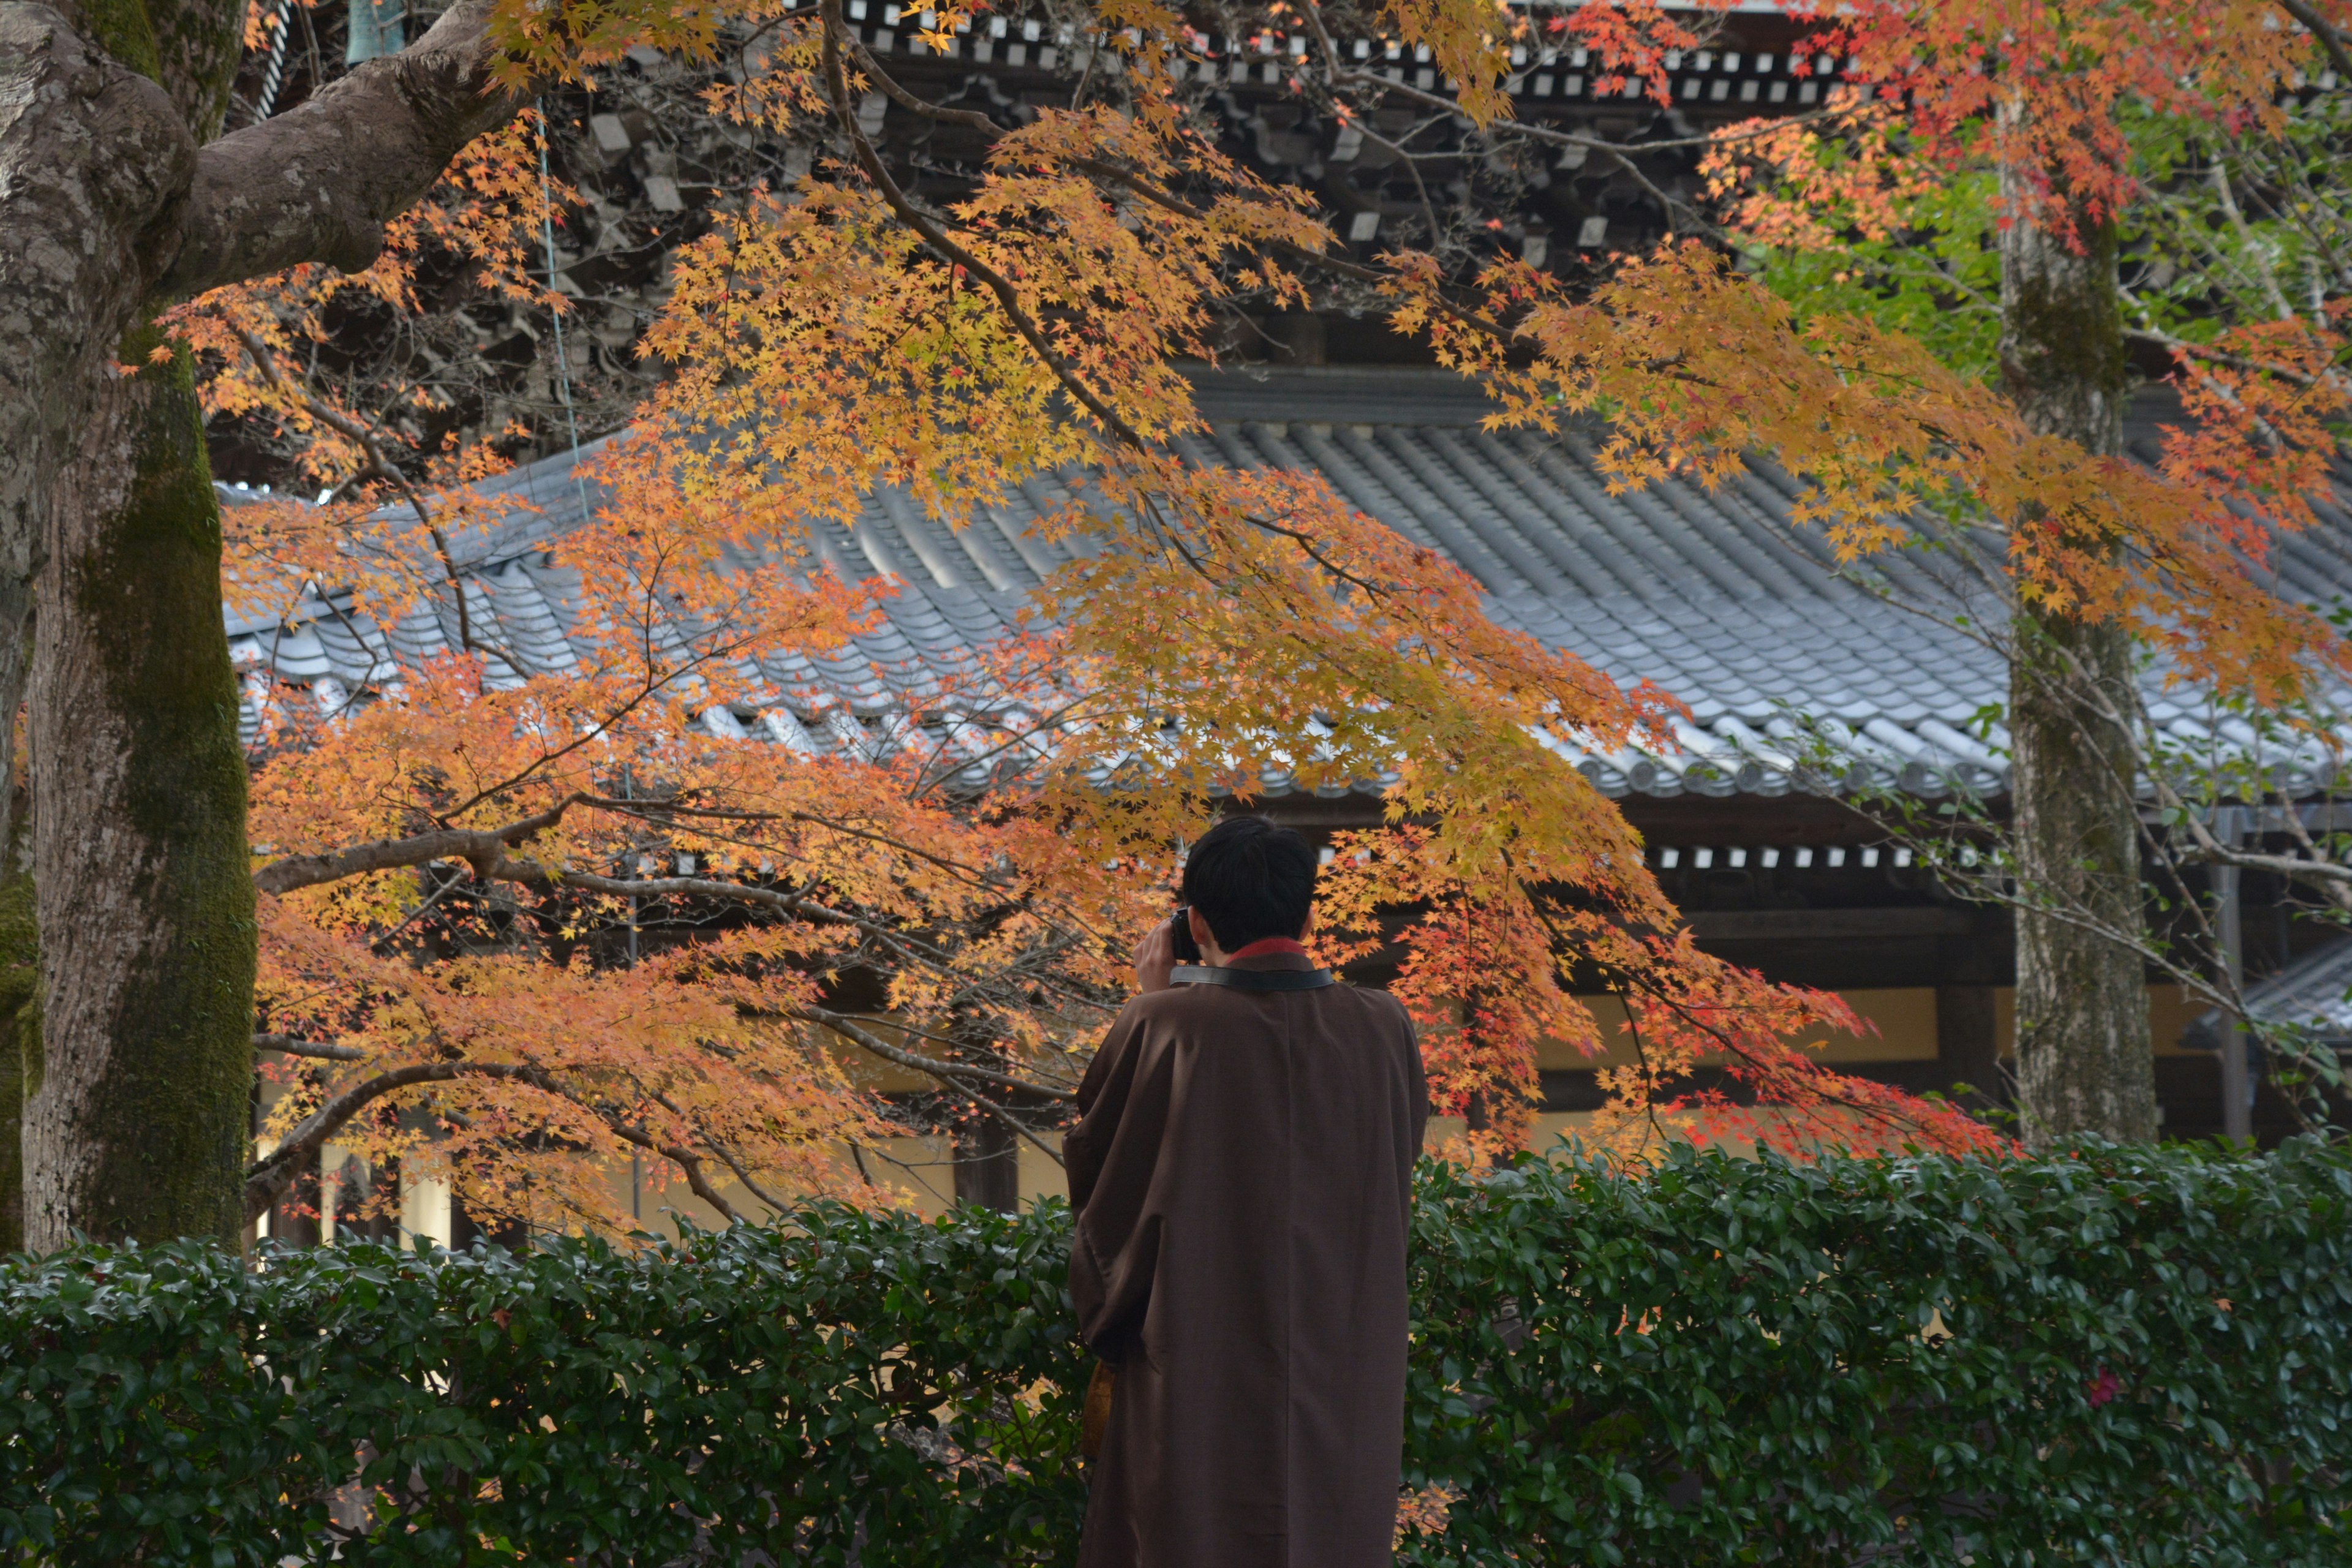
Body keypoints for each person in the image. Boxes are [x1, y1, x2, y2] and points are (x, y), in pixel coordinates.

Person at [1064, 814, 1429, 1568]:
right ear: (1309, 914)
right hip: (1347, 1351)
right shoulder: (1385, 1024)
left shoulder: (1164, 1023)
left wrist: (1153, 994)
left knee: (1186, 1530)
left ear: (1195, 921)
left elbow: (1104, 1182)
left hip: (1195, 1349)